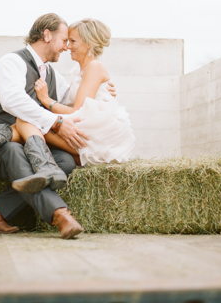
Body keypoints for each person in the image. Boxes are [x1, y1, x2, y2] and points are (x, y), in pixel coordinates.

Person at [0, 13, 114, 239]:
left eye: (70, 42)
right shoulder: (11, 62)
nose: (66, 47)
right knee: (13, 150)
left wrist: (100, 89)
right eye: (63, 40)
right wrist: (56, 122)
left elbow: (75, 100)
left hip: (30, 143)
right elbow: (13, 101)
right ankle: (60, 214)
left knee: (65, 162)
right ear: (47, 35)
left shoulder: (52, 75)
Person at [10, 18, 135, 195]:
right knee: (30, 126)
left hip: (93, 136)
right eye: (67, 41)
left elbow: (78, 111)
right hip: (85, 132)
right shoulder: (79, 71)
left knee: (27, 121)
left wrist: (47, 101)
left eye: (73, 41)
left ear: (89, 44)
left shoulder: (95, 67)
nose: (68, 47)